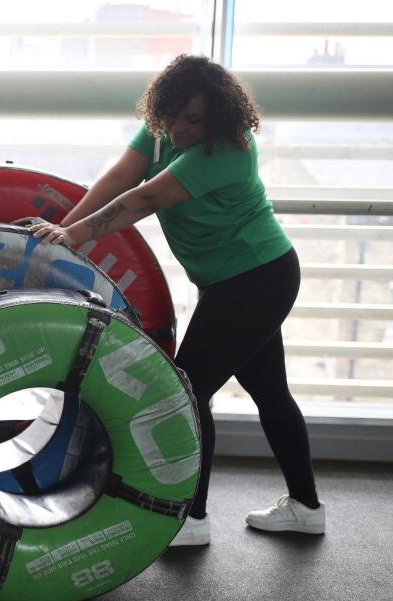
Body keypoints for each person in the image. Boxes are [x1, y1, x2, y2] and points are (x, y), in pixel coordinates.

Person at [26, 54, 324, 546]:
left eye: (195, 121)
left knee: (185, 390)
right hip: (233, 281)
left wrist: (72, 235)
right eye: (176, 116)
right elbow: (119, 179)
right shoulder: (160, 129)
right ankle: (306, 507)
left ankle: (191, 517)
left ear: (218, 119)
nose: (182, 128)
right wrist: (64, 229)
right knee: (269, 391)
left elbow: (142, 199)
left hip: (256, 278)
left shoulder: (226, 150)